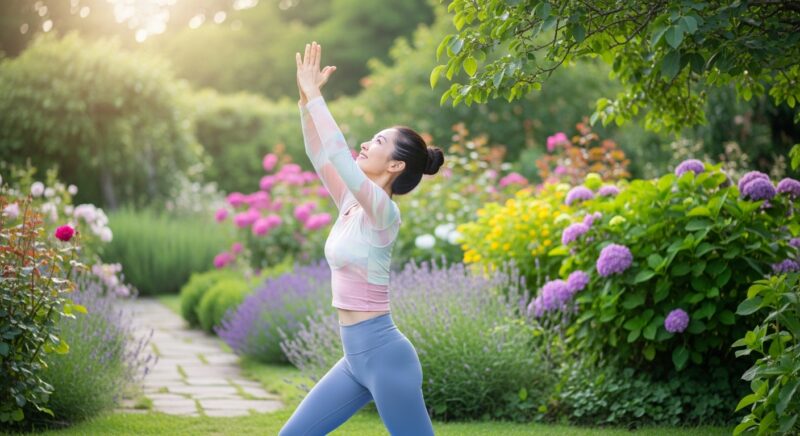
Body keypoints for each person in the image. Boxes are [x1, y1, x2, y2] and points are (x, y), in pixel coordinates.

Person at [278, 41, 444, 435]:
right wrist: (305, 102)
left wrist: (318, 97)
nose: (366, 144)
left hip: (386, 358)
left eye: (379, 142)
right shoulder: (351, 203)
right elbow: (321, 154)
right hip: (354, 359)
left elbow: (338, 153)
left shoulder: (383, 213)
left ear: (396, 165)